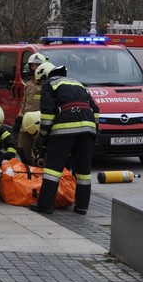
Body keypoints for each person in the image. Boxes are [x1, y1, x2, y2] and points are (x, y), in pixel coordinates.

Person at [31, 61, 99, 215]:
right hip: (88, 129)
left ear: (44, 75)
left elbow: (48, 114)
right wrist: (96, 131)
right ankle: (82, 206)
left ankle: (45, 206)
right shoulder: (77, 83)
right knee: (83, 172)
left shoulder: (50, 84)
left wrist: (43, 136)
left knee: (53, 170)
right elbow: (95, 109)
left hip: (64, 130)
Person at [13, 53, 48, 139]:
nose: (35, 68)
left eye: (37, 65)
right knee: (22, 147)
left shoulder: (47, 85)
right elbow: (25, 103)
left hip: (40, 124)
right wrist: (19, 118)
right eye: (32, 65)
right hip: (27, 122)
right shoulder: (28, 84)